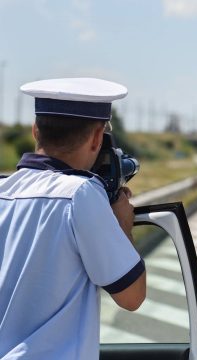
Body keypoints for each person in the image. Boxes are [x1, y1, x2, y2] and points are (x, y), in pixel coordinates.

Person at [0, 78, 146, 359]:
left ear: (35, 131)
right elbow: (132, 296)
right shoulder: (80, 195)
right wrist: (124, 225)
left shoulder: (4, 190)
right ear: (96, 138)